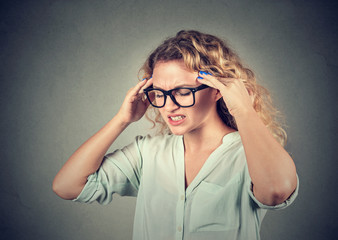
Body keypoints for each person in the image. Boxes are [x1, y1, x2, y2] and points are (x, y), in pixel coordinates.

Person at [53, 30, 299, 240]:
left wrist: (243, 110)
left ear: (216, 90)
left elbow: (277, 191)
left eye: (182, 91)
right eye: (159, 93)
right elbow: (67, 186)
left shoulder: (250, 154)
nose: (168, 106)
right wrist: (122, 119)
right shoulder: (147, 153)